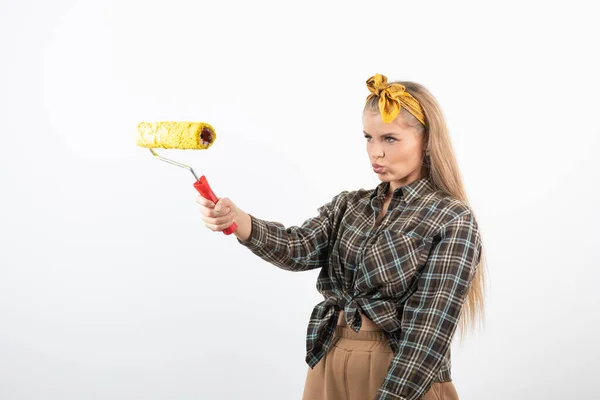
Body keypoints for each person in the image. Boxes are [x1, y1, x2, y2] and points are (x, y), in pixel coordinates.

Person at [196, 73, 487, 400]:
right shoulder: (350, 205)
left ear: (427, 140)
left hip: (400, 374)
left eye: (390, 139)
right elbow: (298, 248)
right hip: (328, 360)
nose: (375, 152)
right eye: (368, 137)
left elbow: (428, 333)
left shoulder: (451, 218)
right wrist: (238, 220)